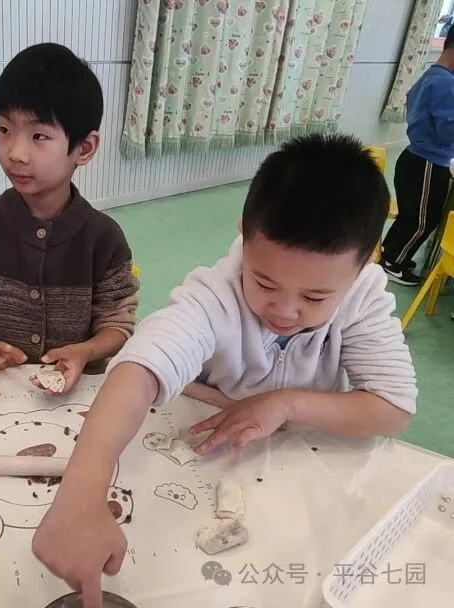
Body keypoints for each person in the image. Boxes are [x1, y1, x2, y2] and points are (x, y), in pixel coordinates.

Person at [32, 134, 417, 607]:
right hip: (208, 462)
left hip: (298, 467)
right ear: (244, 236)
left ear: (365, 264)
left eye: (315, 297)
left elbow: (394, 408)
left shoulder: (362, 297)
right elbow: (139, 369)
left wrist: (284, 403)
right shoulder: (217, 294)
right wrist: (82, 491)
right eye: (264, 281)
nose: (286, 310)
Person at [0, 43, 139, 391]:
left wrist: (86, 351)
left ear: (83, 149)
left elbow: (117, 324)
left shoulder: (104, 238)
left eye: (39, 136)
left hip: (75, 391)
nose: (15, 153)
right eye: (5, 130)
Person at [380, 26, 454, 286]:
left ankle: (394, 254)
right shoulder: (446, 83)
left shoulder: (433, 75)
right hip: (429, 164)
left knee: (413, 215)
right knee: (422, 220)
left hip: (417, 158)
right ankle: (392, 261)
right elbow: (448, 132)